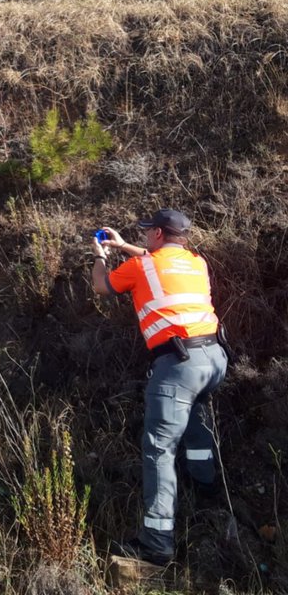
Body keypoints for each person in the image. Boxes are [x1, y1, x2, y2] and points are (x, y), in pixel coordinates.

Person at [91, 209, 227, 565]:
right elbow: (157, 263)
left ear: (156, 235)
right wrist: (124, 245)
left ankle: (156, 541)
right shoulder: (196, 262)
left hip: (178, 364)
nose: (146, 235)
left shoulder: (142, 267)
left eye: (148, 230)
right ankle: (207, 489)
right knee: (197, 422)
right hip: (214, 358)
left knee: (158, 448)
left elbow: (101, 286)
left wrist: (102, 256)